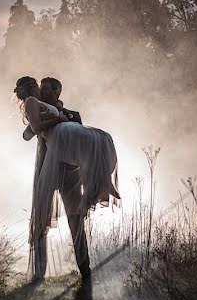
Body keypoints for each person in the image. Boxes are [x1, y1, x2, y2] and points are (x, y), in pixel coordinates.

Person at [14, 76, 119, 282]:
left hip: (70, 173)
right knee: (41, 216)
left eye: (47, 90)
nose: (43, 92)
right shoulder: (39, 108)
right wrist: (40, 122)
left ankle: (84, 269)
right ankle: (39, 272)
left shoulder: (73, 115)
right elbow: (28, 134)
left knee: (75, 218)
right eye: (41, 89)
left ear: (57, 93)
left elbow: (78, 143)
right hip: (45, 169)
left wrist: (62, 116)